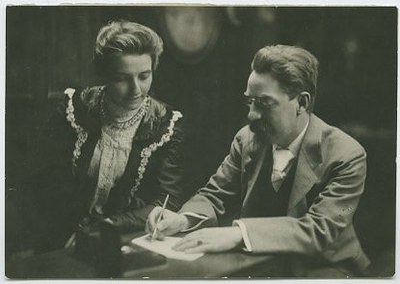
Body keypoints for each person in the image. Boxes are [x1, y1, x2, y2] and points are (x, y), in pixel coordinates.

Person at [146, 45, 370, 277]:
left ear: (301, 103)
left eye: (264, 103)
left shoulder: (347, 154)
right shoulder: (247, 139)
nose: (252, 114)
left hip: (323, 268)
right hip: (260, 265)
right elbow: (215, 195)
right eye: (250, 102)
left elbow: (320, 230)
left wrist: (239, 234)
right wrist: (182, 219)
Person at [6, 20, 186, 256]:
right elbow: (45, 183)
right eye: (122, 78)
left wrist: (105, 228)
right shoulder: (74, 110)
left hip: (126, 240)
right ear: (105, 75)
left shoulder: (166, 123)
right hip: (59, 236)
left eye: (144, 76)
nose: (136, 90)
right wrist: (72, 234)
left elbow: (165, 200)